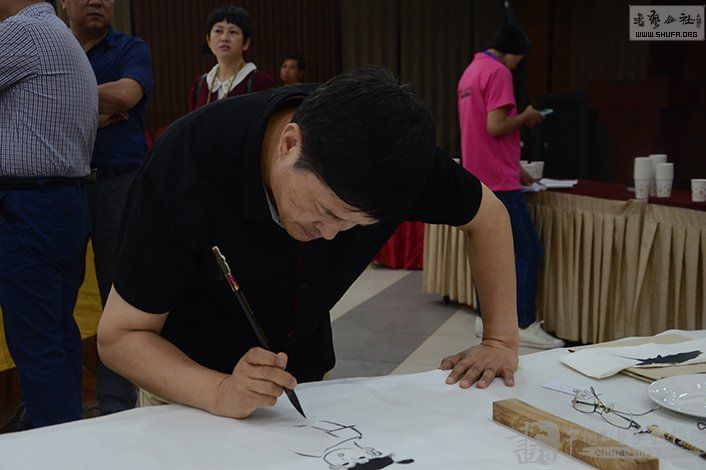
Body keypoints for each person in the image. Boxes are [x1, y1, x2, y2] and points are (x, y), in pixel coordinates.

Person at [98, 66, 520, 421]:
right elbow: (121, 337)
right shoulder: (188, 162)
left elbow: (489, 216)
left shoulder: (395, 160)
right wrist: (220, 391)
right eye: (326, 211)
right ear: (289, 144)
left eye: (357, 225)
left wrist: (500, 341)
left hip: (304, 385)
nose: (331, 234)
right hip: (188, 388)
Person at [0, 0, 97, 431]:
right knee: (55, 330)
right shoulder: (58, 33)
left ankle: (55, 443)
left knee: (36, 340)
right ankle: (66, 431)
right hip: (61, 200)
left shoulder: (23, 32)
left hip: (29, 205)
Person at [60, 0, 153, 415]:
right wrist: (96, 105)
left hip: (120, 185)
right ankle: (55, 402)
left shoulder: (131, 49)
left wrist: (61, 99)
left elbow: (126, 94)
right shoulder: (51, 47)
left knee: (120, 296)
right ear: (64, 1)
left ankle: (118, 405)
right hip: (64, 186)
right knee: (58, 295)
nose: (98, 0)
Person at [457, 24, 563, 349]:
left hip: (478, 175)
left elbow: (479, 131)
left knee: (485, 250)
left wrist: (516, 167)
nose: (519, 65)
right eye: (520, 58)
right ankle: (524, 322)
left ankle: (484, 318)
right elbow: (496, 125)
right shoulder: (499, 71)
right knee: (528, 250)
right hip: (499, 181)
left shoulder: (470, 72)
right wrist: (527, 117)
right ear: (513, 52)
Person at [189, 5, 274, 111]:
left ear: (246, 43)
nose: (224, 38)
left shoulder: (261, 82)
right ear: (208, 40)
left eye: (233, 32)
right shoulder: (200, 84)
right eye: (218, 31)